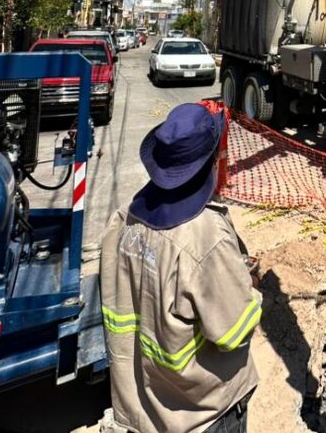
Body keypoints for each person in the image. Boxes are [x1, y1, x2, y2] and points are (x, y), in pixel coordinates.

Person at [101, 102, 260, 433]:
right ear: (212, 161)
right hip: (200, 418)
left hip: (141, 411)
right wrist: (248, 286)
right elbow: (233, 332)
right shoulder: (206, 237)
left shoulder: (124, 219)